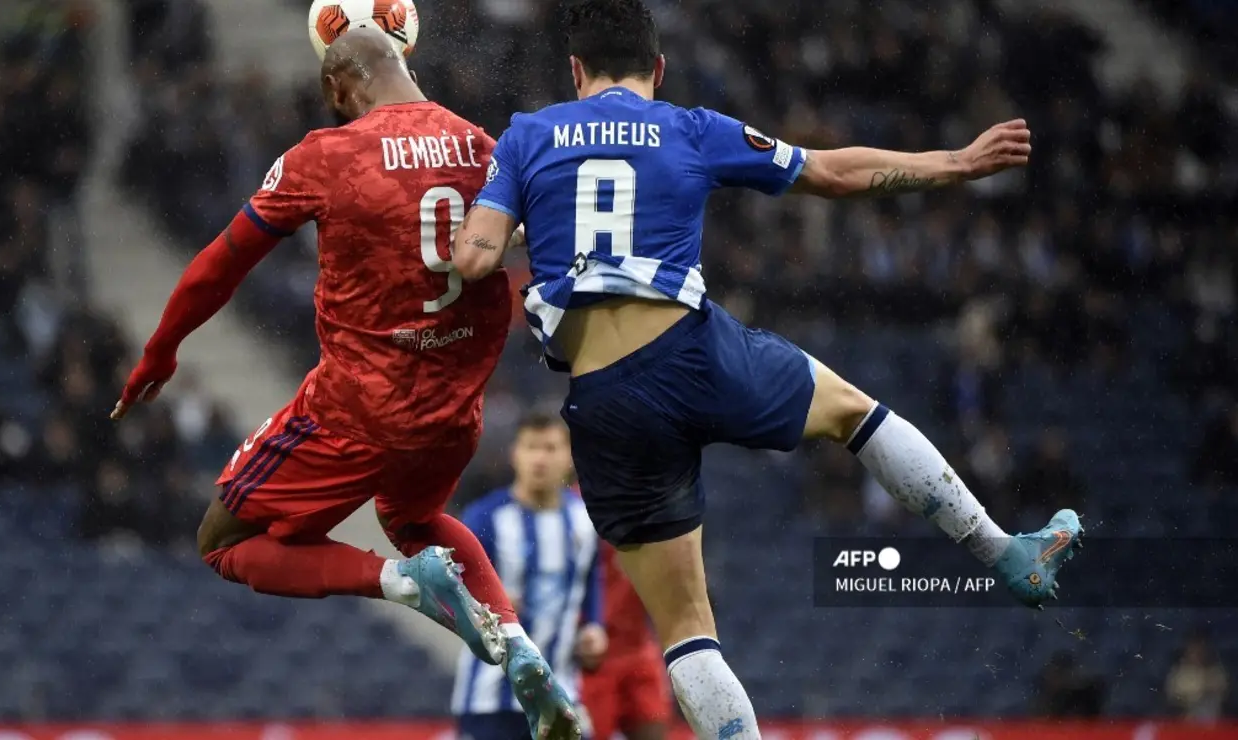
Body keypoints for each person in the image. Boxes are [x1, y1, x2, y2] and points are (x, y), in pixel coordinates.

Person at [451, 1, 1082, 736]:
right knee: (851, 411)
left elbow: (474, 258)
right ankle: (1004, 554)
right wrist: (954, 162)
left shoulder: (529, 136)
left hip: (605, 398)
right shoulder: (690, 127)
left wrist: (527, 224)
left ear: (573, 70)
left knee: (687, 627)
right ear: (657, 68)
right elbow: (832, 173)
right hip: (691, 352)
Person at [110, 28, 579, 740]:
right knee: (416, 520)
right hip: (452, 414)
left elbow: (221, 264)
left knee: (221, 539)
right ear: (405, 62)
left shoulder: (326, 155)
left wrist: (162, 350)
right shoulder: (485, 147)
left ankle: (398, 583)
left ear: (338, 88)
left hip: (354, 410)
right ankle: (516, 645)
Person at [453, 413, 606, 740]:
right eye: (531, 447)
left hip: (562, 693)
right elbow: (449, 595)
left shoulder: (584, 521)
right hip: (492, 698)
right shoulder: (484, 519)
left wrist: (595, 627)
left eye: (550, 448)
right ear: (515, 455)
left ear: (569, 457)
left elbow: (591, 579)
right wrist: (485, 608)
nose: (540, 458)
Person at [581, 542, 671, 740]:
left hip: (637, 649)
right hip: (593, 659)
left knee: (652, 725)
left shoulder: (648, 527)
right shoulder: (579, 528)